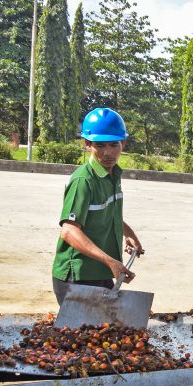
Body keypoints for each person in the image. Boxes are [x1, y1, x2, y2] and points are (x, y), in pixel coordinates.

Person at [51, 108, 143, 305]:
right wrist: (110, 261)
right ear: (87, 144)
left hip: (101, 270)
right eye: (100, 145)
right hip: (78, 275)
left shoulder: (113, 175)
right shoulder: (83, 181)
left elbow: (109, 214)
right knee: (83, 332)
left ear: (123, 144)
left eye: (113, 145)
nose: (108, 153)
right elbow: (69, 231)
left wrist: (129, 234)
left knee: (106, 330)